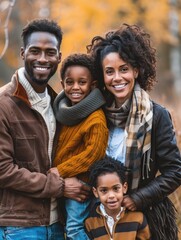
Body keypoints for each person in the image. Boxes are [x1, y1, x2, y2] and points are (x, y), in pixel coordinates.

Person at [87, 23, 181, 240]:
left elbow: (175, 171)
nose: (117, 78)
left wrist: (137, 198)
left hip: (147, 217)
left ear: (136, 71)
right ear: (102, 77)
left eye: (124, 69)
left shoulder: (156, 115)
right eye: (109, 72)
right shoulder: (96, 115)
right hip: (102, 219)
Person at [0, 18, 90, 240]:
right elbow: (3, 170)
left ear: (59, 57)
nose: (42, 59)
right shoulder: (4, 104)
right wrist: (59, 187)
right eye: (35, 51)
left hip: (59, 225)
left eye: (50, 52)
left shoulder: (59, 104)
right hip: (20, 227)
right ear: (23, 53)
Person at [50, 53, 108, 240]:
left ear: (92, 86)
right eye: (70, 82)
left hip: (81, 183)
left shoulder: (95, 118)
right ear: (62, 84)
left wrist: (60, 170)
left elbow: (94, 154)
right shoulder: (64, 114)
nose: (75, 87)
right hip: (65, 182)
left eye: (82, 82)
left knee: (75, 229)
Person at [85, 156, 151, 239]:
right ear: (95, 192)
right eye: (104, 190)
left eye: (116, 188)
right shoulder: (90, 222)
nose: (111, 196)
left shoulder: (138, 218)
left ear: (124, 188)